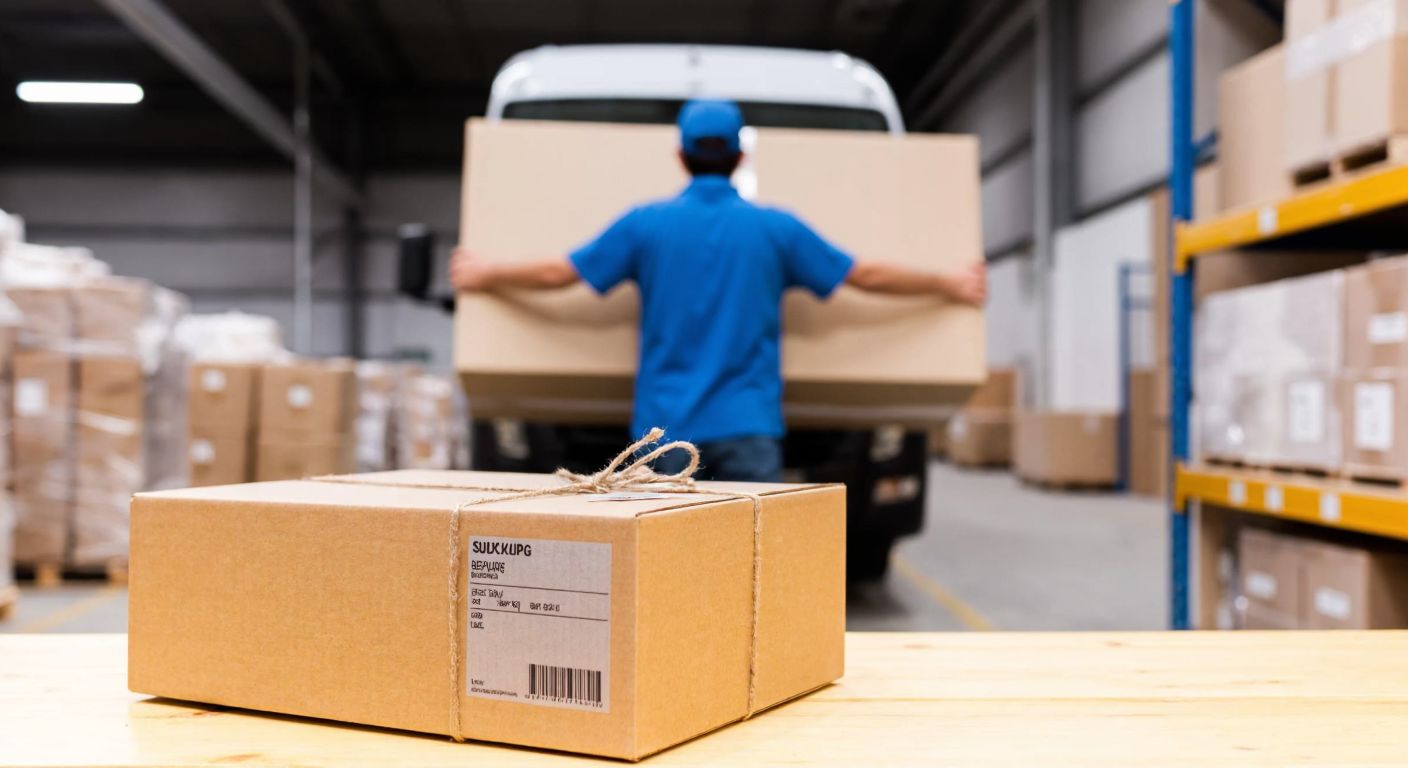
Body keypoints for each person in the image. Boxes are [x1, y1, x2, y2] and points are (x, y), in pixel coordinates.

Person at [450, 99, 986, 482]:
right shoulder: (776, 229)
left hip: (664, 433)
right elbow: (864, 276)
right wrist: (951, 284)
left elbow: (559, 275)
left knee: (667, 566)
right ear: (740, 157)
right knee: (749, 565)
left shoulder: (646, 225)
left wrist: (486, 274)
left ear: (681, 156)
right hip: (748, 425)